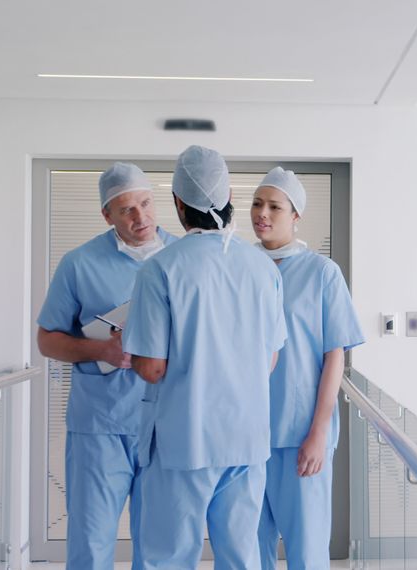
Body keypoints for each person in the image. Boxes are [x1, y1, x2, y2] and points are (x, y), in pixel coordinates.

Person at [123, 145, 287, 569]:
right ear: (228, 195)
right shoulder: (262, 268)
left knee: (169, 557)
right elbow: (268, 360)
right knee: (240, 556)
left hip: (185, 440)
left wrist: (131, 344)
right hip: (246, 441)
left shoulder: (160, 270)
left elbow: (152, 367)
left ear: (178, 204)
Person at [36, 162, 176, 569]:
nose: (141, 217)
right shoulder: (79, 263)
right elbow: (47, 340)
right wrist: (102, 352)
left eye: (146, 204)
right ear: (107, 215)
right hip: (99, 426)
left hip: (163, 425)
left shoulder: (183, 258)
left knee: (158, 547)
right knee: (91, 542)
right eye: (126, 210)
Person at [252, 167, 365, 569]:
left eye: (274, 206)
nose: (262, 213)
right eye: (257, 203)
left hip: (300, 431)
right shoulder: (242, 268)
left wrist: (319, 431)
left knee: (306, 550)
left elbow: (335, 355)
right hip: (245, 432)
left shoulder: (322, 273)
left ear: (295, 214)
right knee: (247, 549)